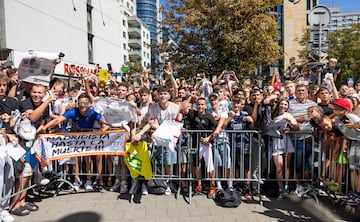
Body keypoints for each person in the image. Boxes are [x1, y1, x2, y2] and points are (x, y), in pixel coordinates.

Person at [40, 93, 110, 192]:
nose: (82, 105)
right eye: (80, 103)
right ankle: (76, 180)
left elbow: (106, 124)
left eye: (85, 103)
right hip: (76, 137)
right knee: (75, 159)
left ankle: (89, 182)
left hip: (88, 138)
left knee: (87, 158)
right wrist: (45, 127)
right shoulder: (73, 111)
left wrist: (101, 132)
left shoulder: (93, 113)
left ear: (89, 104)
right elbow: (59, 119)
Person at [10, 84, 56, 216]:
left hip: (32, 143)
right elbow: (33, 117)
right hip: (21, 143)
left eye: (40, 93)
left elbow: (41, 121)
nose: (36, 95)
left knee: (29, 173)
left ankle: (22, 201)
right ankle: (14, 205)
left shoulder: (45, 106)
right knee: (22, 174)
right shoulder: (25, 103)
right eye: (34, 92)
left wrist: (40, 129)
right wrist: (47, 100)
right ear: (30, 92)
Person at [134, 86, 182, 196]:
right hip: (156, 138)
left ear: (169, 95)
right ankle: (148, 183)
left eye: (165, 93)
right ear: (158, 96)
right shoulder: (153, 108)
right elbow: (151, 123)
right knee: (150, 160)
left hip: (170, 137)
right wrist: (140, 134)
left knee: (168, 161)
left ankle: (168, 183)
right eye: (161, 94)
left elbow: (176, 122)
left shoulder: (174, 107)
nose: (163, 96)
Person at [288, 84, 317, 197]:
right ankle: (298, 185)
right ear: (295, 92)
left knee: (309, 165)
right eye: (298, 90)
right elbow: (286, 118)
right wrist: (297, 119)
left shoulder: (313, 104)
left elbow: (317, 118)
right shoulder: (290, 104)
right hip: (297, 138)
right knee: (298, 164)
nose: (301, 92)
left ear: (307, 92)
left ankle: (307, 186)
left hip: (310, 138)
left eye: (303, 90)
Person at [269, 98, 299, 200]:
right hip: (276, 142)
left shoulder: (288, 115)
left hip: (286, 141)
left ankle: (286, 187)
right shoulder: (273, 115)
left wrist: (290, 125)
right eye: (282, 104)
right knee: (279, 167)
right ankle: (280, 188)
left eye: (285, 104)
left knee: (286, 166)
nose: (283, 106)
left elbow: (297, 127)